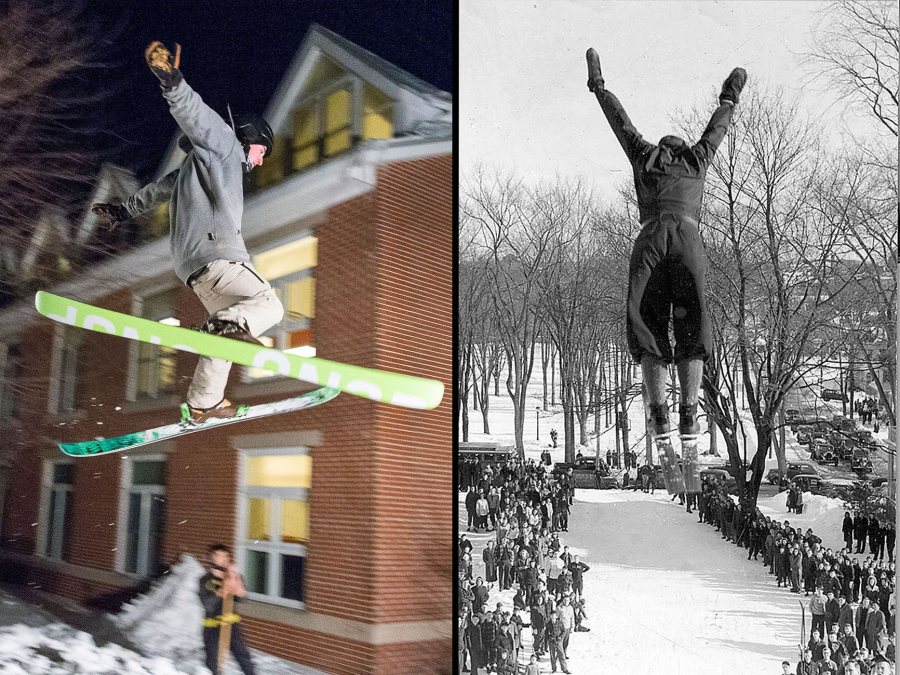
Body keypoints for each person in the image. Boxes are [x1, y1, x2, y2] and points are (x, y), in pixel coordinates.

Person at [92, 41, 282, 423]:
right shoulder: (226, 147)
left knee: (226, 340)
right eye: (262, 151)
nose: (260, 161)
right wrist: (172, 82)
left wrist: (121, 210)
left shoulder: (191, 174)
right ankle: (223, 328)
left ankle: (203, 402)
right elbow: (199, 119)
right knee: (269, 305)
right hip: (217, 257)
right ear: (248, 137)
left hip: (193, 270)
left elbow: (155, 191)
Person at [585, 46, 746, 494]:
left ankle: (659, 415)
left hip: (652, 237)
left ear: (662, 148)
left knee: (648, 325)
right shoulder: (696, 160)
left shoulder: (645, 156)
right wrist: (730, 95)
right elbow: (718, 127)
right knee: (694, 326)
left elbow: (620, 122)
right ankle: (689, 412)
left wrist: (599, 85)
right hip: (689, 239)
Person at [198, 544, 256, 675]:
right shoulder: (207, 580)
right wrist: (222, 589)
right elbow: (208, 604)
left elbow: (242, 598)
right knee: (213, 662)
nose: (223, 558)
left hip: (232, 625)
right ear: (212, 558)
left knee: (243, 656)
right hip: (213, 627)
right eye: (219, 555)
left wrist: (235, 581)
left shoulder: (232, 576)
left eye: (225, 555)